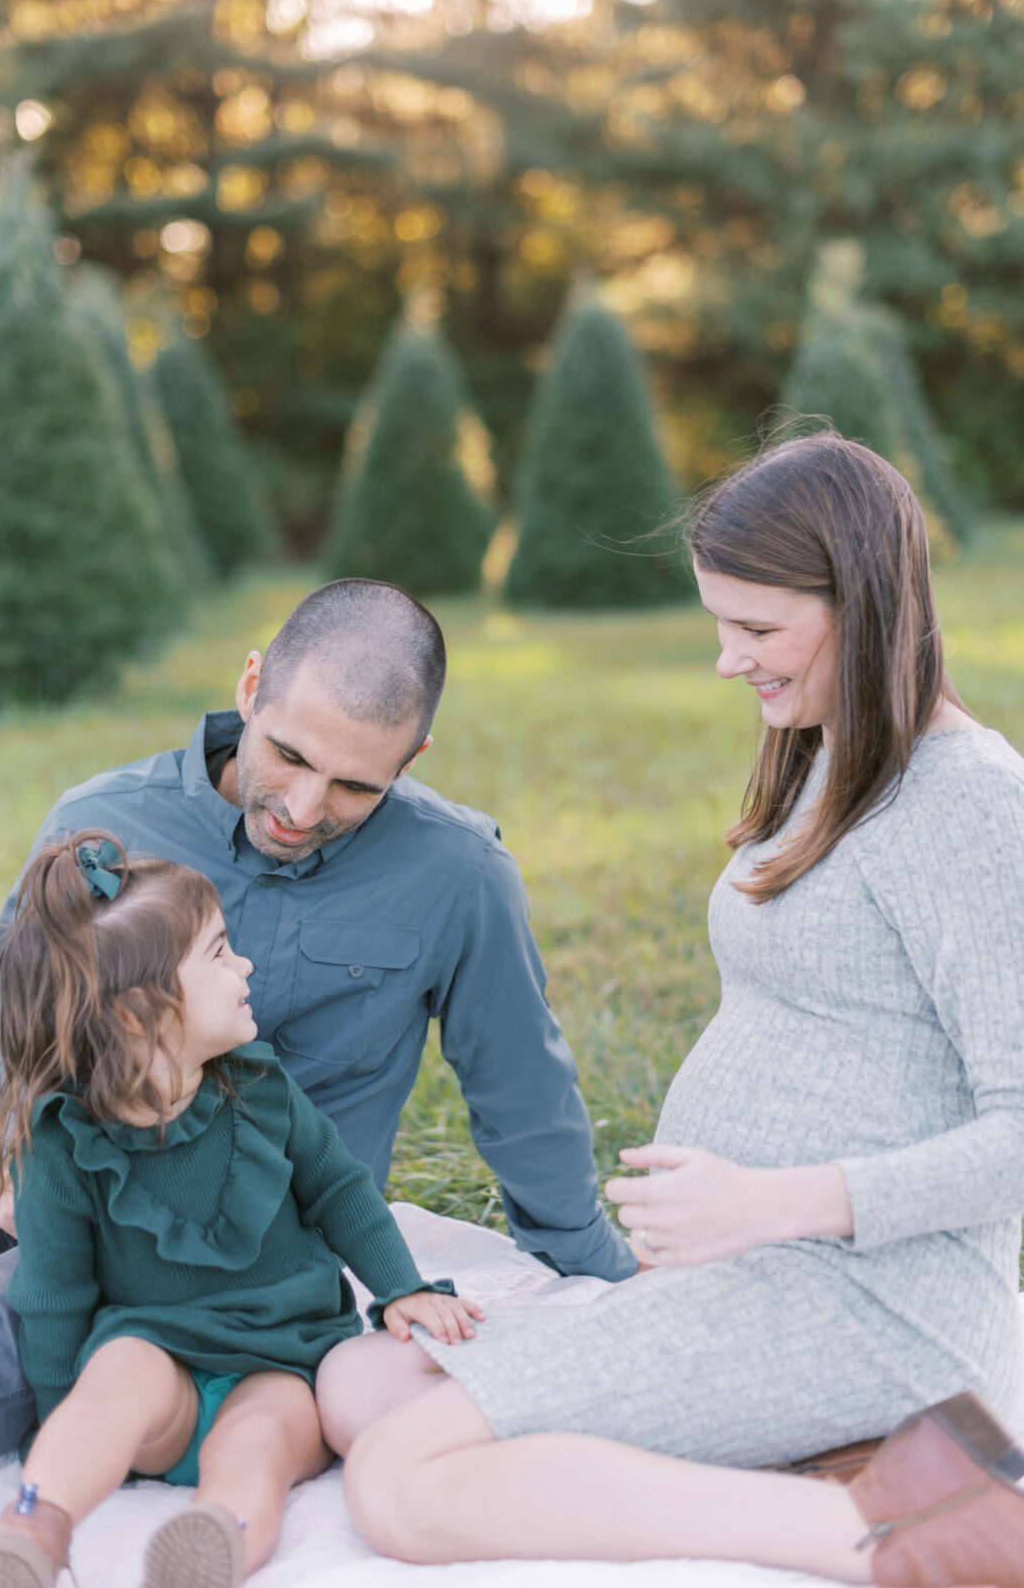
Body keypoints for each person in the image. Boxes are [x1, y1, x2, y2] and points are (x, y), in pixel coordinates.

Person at [314, 433, 1024, 1585]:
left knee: (400, 1481)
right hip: (754, 1276)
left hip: (875, 1303)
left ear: (865, 597)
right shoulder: (833, 754)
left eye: (755, 627)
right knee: (356, 1383)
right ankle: (829, 1460)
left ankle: (925, 1527)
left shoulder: (968, 807)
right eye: (717, 624)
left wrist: (775, 1200)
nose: (723, 660)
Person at [0, 578, 632, 1508]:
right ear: (250, 686)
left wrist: (605, 1285)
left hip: (216, 1254)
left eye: (354, 786)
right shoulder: (105, 817)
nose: (301, 804)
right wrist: (1, 1158)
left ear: (411, 760)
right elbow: (0, 1026)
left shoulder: (461, 876)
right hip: (51, 1154)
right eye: (287, 755)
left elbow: (523, 1098)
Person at [0, 830, 481, 1588]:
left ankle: (209, 1539)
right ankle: (35, 1524)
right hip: (158, 1355)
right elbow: (53, 1292)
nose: (245, 966)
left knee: (259, 1439)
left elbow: (339, 1189)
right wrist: (68, 1419)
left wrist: (403, 1287)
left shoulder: (258, 1090)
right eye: (220, 953)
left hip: (283, 1358)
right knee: (117, 1376)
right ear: (139, 1012)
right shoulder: (63, 1142)